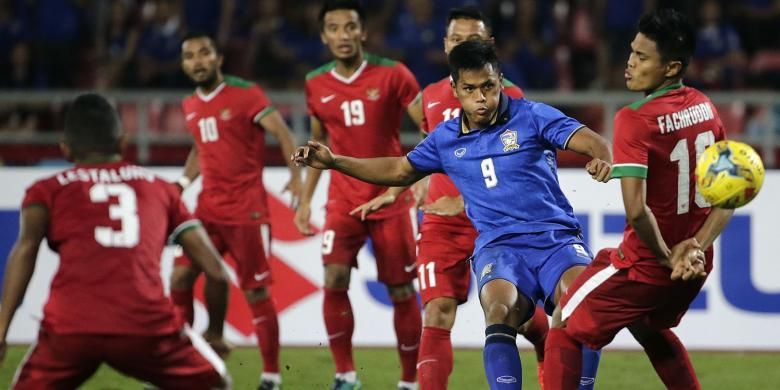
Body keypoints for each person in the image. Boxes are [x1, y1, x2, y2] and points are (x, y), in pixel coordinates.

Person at [294, 39, 613, 390]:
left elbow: (593, 141)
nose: (482, 98)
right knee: (499, 311)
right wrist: (335, 162)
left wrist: (601, 157)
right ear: (455, 89)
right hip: (499, 246)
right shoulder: (445, 139)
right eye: (470, 89)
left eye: (489, 87)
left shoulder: (532, 115)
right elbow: (400, 170)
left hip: (555, 238)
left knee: (578, 303)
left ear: (500, 81)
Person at [543, 10, 733, 390]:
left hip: (648, 264)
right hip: (695, 267)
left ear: (671, 66)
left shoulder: (635, 119)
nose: (630, 62)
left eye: (643, 57)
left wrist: (667, 258)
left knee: (563, 321)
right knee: (648, 327)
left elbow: (636, 210)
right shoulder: (705, 106)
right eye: (632, 51)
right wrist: (694, 249)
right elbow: (727, 196)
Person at [0, 93, 230, 389]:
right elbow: (216, 272)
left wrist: (3, 329)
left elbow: (25, 251)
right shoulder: (161, 190)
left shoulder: (45, 191)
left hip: (70, 328)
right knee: (217, 382)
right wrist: (214, 332)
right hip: (146, 326)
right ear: (123, 143)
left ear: (65, 150)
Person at [293, 1, 423, 389]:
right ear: (323, 36)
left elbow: (430, 127)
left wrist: (419, 177)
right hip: (342, 199)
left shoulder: (394, 74)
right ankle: (345, 375)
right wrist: (304, 199)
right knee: (333, 279)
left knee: (400, 288)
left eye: (350, 27)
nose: (343, 35)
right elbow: (319, 145)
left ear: (363, 32)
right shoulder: (315, 82)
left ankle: (409, 380)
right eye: (334, 28)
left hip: (391, 196)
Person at [173, 32, 302, 390]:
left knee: (256, 293)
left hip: (247, 213)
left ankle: (272, 376)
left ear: (218, 59)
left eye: (204, 53)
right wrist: (183, 183)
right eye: (190, 56)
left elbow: (282, 132)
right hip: (207, 212)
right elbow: (201, 147)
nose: (197, 61)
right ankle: (187, 359)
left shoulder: (246, 94)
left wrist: (295, 175)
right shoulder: (190, 104)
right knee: (179, 280)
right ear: (184, 64)